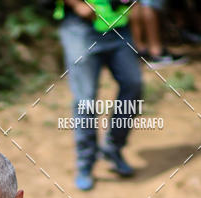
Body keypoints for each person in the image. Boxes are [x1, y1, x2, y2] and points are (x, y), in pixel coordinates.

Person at [55, 0, 143, 187]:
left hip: (119, 26)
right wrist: (77, 4)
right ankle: (85, 163)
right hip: (80, 28)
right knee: (85, 100)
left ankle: (113, 148)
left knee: (133, 85)